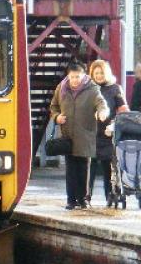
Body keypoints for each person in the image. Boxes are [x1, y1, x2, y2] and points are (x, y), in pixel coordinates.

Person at [49, 60, 109, 210]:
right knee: (70, 169)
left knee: (83, 168)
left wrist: (102, 112)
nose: (75, 80)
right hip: (68, 135)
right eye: (72, 77)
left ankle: (83, 199)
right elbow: (53, 106)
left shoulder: (92, 89)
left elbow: (101, 103)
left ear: (84, 76)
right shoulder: (61, 88)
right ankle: (71, 200)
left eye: (78, 77)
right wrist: (57, 117)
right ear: (68, 76)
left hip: (85, 135)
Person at [87, 60, 129, 204]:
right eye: (96, 73)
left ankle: (109, 197)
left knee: (107, 168)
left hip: (107, 134)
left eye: (101, 73)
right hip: (91, 133)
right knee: (89, 168)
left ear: (106, 73)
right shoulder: (88, 88)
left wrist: (113, 125)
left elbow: (123, 112)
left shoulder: (115, 89)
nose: (98, 76)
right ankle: (86, 197)